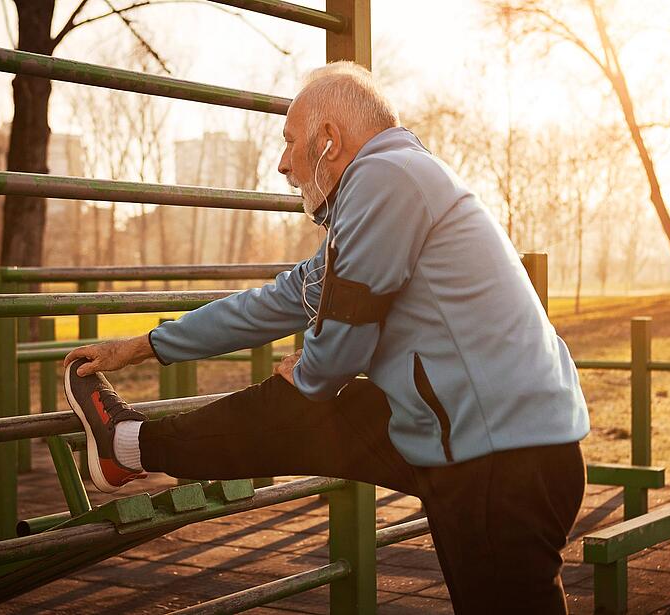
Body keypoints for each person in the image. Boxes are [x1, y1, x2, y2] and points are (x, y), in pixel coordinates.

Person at [63, 61, 590, 614]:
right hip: (480, 439)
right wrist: (147, 345)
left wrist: (311, 375)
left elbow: (346, 335)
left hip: (496, 457)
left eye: (291, 141)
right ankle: (129, 449)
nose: (283, 163)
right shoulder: (392, 185)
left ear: (330, 140)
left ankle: (128, 447)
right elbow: (286, 299)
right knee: (322, 414)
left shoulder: (385, 179)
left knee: (306, 403)